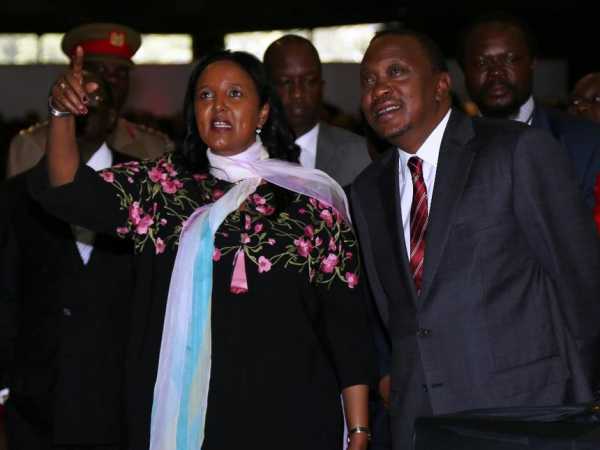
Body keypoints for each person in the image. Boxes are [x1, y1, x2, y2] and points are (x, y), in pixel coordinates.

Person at [30, 47, 374, 450]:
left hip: (291, 416)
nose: (219, 106)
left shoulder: (310, 201)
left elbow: (346, 324)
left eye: (235, 94)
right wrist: (60, 112)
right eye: (205, 96)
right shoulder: (163, 188)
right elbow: (67, 189)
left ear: (263, 112)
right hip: (190, 422)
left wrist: (359, 429)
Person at [351, 29, 600, 450]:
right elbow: (395, 315)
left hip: (524, 413)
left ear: (441, 85)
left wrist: (583, 396)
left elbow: (581, 281)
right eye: (369, 80)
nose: (380, 89)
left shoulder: (516, 151)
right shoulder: (365, 190)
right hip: (421, 422)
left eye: (396, 72)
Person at [0, 77, 134, 449]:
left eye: (95, 99)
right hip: (39, 401)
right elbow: (7, 293)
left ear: (112, 117)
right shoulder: (17, 194)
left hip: (123, 398)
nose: (83, 106)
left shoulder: (147, 188)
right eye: (74, 98)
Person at [458, 12, 600, 209]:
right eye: (482, 62)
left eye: (509, 59)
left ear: (533, 62)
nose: (496, 72)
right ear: (464, 71)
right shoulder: (446, 148)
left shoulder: (585, 142)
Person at [6, 22, 173, 178]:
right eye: (99, 70)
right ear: (75, 75)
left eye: (120, 73)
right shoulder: (31, 145)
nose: (111, 81)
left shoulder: (155, 147)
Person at [263, 35, 371, 186]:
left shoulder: (360, 154)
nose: (297, 93)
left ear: (322, 86)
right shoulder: (245, 155)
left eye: (309, 81)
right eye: (285, 82)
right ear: (266, 90)